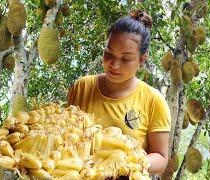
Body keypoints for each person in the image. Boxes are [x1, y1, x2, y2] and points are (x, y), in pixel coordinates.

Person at [67, 10, 171, 175]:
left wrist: (127, 164)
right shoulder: (82, 87)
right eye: (108, 53)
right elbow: (66, 137)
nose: (114, 64)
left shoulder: (154, 101)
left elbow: (161, 158)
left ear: (142, 60)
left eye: (125, 59)